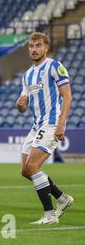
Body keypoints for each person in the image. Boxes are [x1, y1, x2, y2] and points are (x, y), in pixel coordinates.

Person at [16, 32, 73, 224]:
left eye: (38, 45)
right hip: (36, 125)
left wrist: (61, 124)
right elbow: (22, 106)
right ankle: (62, 199)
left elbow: (67, 96)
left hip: (51, 122)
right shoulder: (27, 75)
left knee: (33, 166)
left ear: (46, 47)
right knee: (26, 170)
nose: (34, 49)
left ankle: (50, 215)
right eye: (31, 46)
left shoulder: (55, 66)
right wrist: (20, 104)